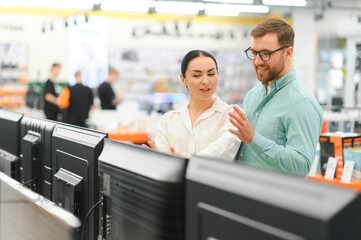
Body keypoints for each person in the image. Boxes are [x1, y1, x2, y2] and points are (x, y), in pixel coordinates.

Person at [229, 18, 323, 177]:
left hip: (273, 199)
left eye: (265, 54)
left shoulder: (302, 103)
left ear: (288, 53)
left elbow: (301, 167)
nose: (257, 61)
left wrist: (253, 139)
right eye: (254, 53)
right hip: (241, 193)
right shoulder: (252, 95)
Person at [146, 50, 240, 160]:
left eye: (211, 74)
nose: (206, 81)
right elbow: (162, 161)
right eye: (196, 75)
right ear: (183, 79)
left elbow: (221, 151)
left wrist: (179, 160)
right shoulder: (168, 121)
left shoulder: (233, 115)